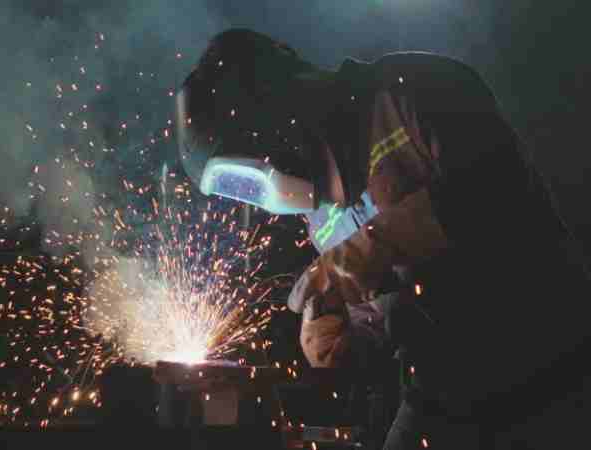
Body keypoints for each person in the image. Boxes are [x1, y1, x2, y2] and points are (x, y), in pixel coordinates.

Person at [175, 28, 590, 449]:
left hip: (552, 362)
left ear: (274, 113)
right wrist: (346, 339)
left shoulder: (416, 88)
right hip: (443, 397)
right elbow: (385, 318)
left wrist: (375, 246)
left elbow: (495, 189)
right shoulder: (319, 218)